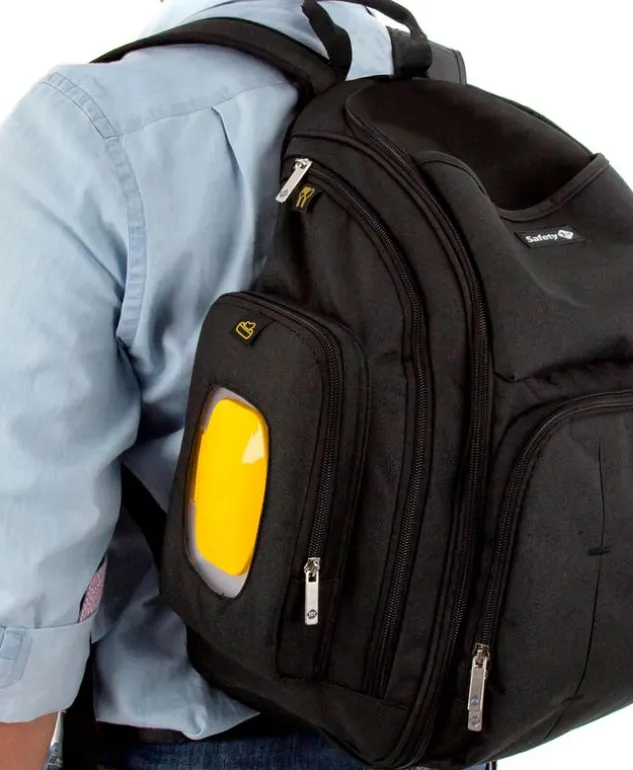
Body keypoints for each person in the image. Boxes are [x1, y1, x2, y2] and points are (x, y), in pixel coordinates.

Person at [0, 1, 491, 768]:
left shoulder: (93, 131)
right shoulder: (455, 108)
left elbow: (27, 544)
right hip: (443, 724)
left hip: (197, 743)